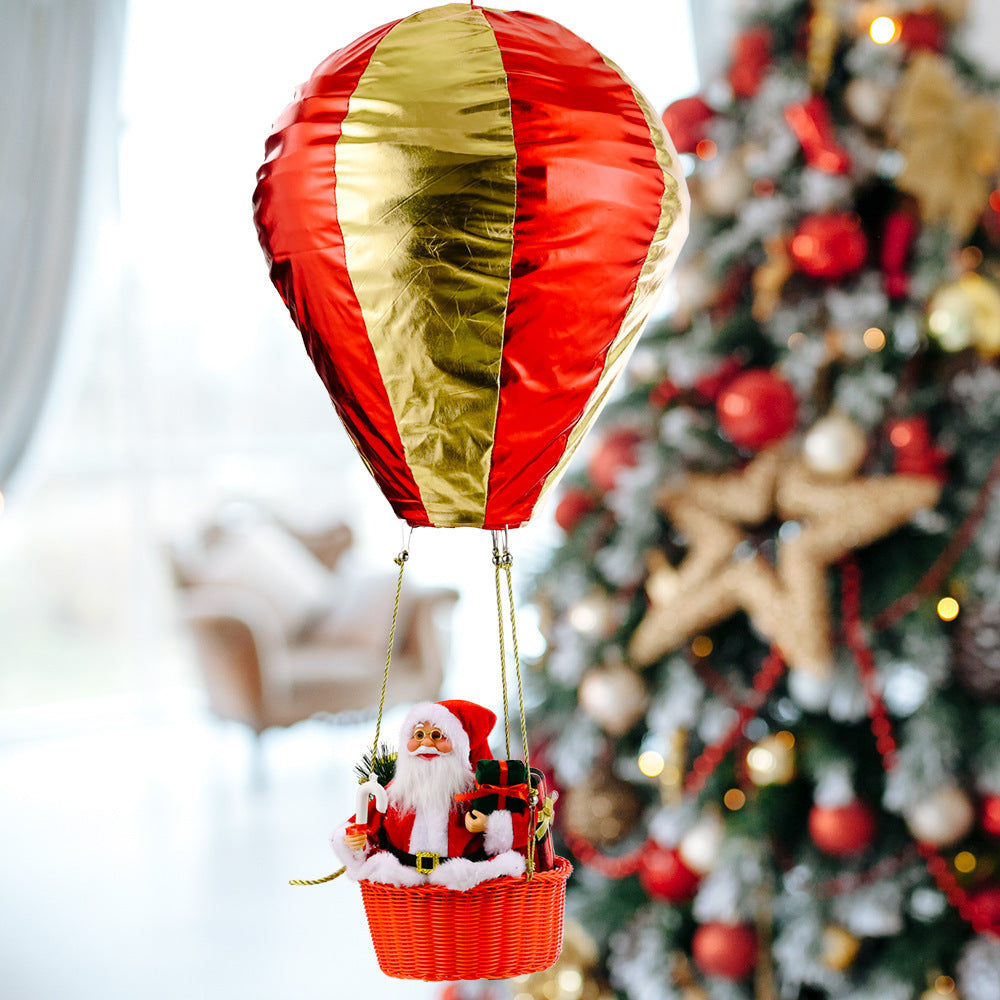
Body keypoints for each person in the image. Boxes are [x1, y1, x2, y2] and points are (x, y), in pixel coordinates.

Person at [332, 699, 526, 890]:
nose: (425, 743)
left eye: (437, 735)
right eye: (418, 735)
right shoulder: (396, 792)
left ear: (458, 746)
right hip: (403, 886)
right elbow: (363, 824)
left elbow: (519, 828)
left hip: (462, 887)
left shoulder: (474, 792)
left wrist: (489, 825)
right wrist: (355, 841)